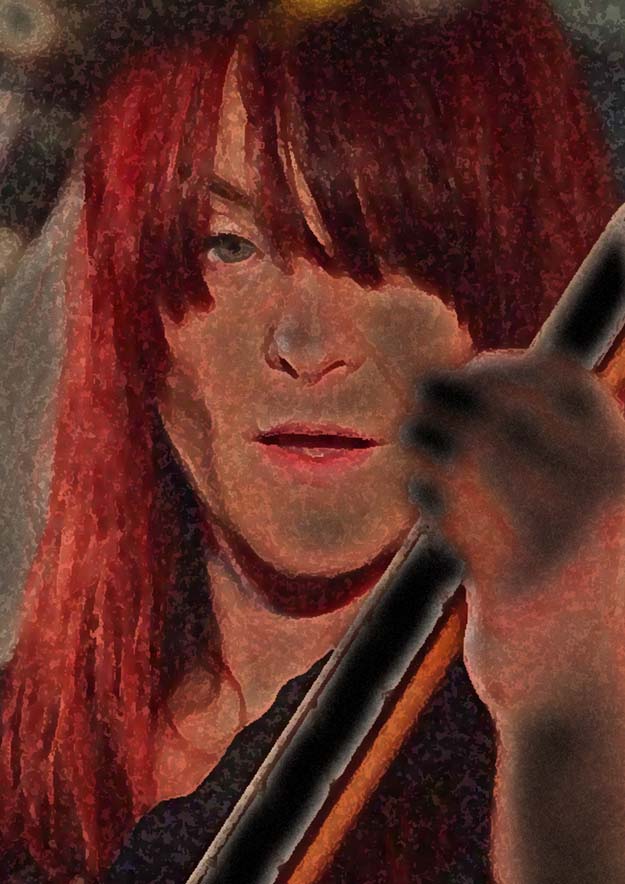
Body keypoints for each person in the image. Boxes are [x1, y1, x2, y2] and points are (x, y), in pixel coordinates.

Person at [1, 0, 624, 880]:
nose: (305, 344)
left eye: (392, 253)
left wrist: (568, 709)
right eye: (228, 246)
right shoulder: (27, 741)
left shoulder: (563, 743)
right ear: (132, 305)